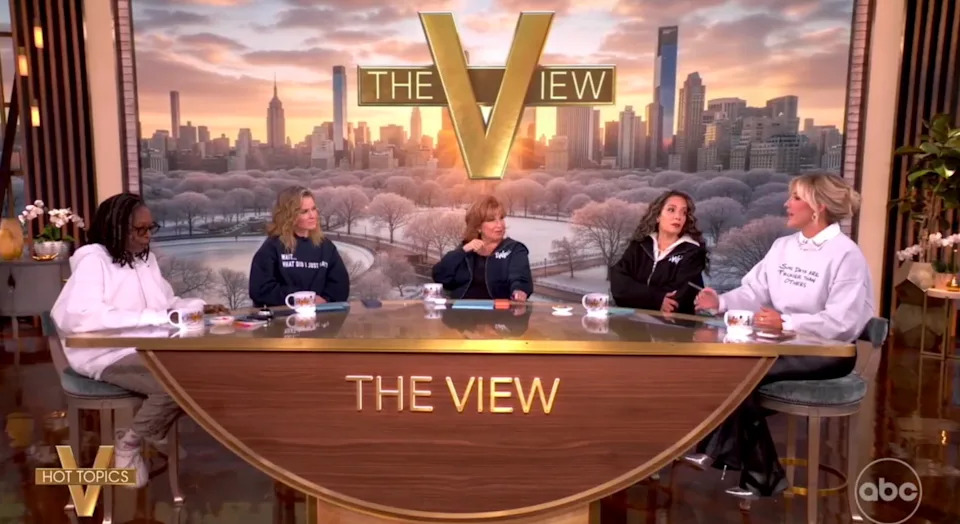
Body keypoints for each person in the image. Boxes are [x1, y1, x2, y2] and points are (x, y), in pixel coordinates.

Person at [688, 172, 875, 499]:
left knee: (741, 376)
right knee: (732, 371)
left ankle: (724, 450)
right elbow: (754, 291)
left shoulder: (847, 255)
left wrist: (786, 322)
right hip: (782, 347)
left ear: (817, 207)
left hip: (828, 354)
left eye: (795, 198)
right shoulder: (782, 247)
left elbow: (844, 323)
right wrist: (719, 302)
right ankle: (756, 471)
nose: (787, 204)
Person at [51, 193, 229, 488]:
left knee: (206, 373)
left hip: (147, 346)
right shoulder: (94, 261)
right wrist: (153, 318)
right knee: (177, 384)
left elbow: (166, 304)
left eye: (151, 228)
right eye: (140, 230)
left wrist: (197, 306)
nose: (148, 237)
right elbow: (82, 315)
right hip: (106, 354)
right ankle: (130, 443)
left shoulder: (144, 260)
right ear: (116, 227)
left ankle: (152, 428)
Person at [610, 190, 708, 315]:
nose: (678, 216)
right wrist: (656, 299)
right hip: (631, 324)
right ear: (657, 216)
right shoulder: (639, 245)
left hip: (672, 330)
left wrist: (635, 295)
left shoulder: (693, 253)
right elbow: (619, 286)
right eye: (671, 210)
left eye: (683, 212)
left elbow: (676, 301)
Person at [249, 186, 350, 307]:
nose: (312, 216)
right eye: (304, 211)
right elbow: (260, 289)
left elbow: (340, 286)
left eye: (313, 209)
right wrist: (302, 299)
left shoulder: (326, 247)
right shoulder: (272, 247)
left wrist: (325, 300)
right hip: (282, 319)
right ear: (289, 215)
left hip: (320, 318)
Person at [432, 195, 534, 301]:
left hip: (499, 314)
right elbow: (440, 276)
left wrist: (519, 291)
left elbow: (520, 277)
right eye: (491, 220)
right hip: (461, 313)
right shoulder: (465, 250)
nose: (499, 225)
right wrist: (462, 252)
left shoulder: (515, 249)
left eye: (501, 218)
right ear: (478, 227)